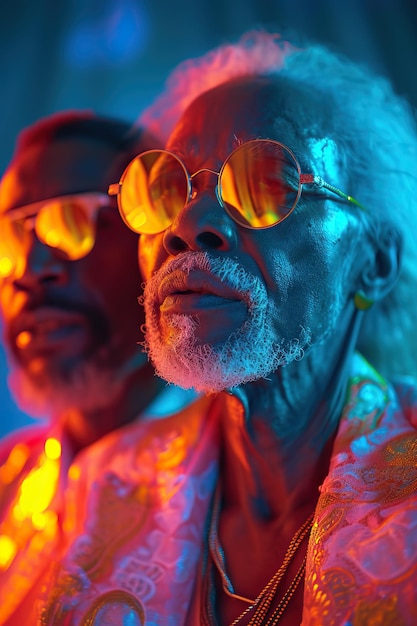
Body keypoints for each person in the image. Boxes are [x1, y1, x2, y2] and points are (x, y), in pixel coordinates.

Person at [110, 31, 417, 624]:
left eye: (267, 184)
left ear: (374, 263)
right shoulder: (102, 488)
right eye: (168, 191)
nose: (188, 225)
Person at [0, 111, 177, 624]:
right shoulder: (9, 480)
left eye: (71, 220)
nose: (30, 272)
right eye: (9, 239)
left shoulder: (244, 476)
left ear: (157, 242)